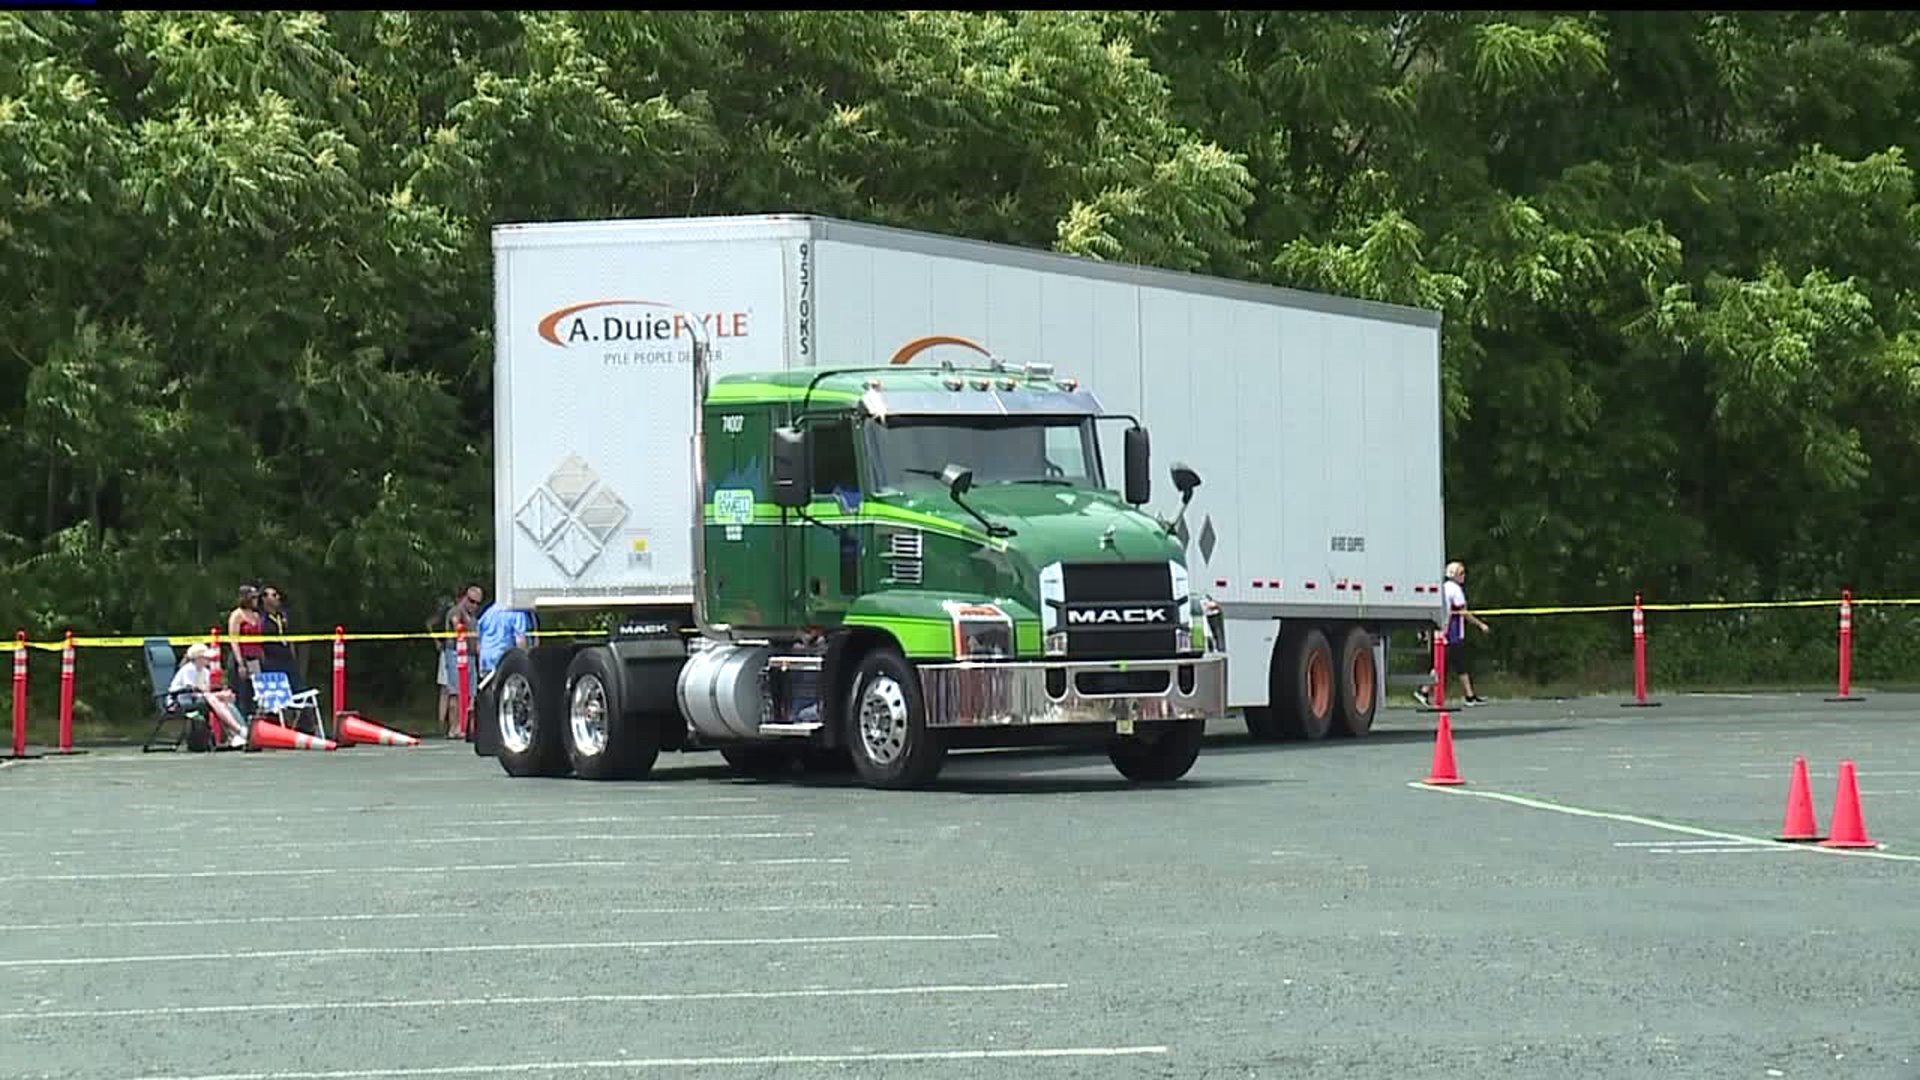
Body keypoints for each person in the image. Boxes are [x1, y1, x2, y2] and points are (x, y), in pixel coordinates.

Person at [1415, 560, 1491, 707]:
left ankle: (1469, 696)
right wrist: (1480, 625)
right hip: (1452, 633)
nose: (1464, 576)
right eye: (1461, 573)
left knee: (1457, 663)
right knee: (1446, 663)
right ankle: (1424, 691)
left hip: (1444, 631)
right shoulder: (1455, 590)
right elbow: (1463, 612)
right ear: (1454, 575)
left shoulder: (1443, 588)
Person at [170, 642, 249, 749]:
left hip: (196, 699)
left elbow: (204, 692)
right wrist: (218, 695)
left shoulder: (205, 672)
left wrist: (222, 696)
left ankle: (237, 734)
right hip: (180, 700)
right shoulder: (189, 669)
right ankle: (238, 730)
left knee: (225, 701)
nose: (209, 660)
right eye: (206, 657)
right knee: (213, 698)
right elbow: (192, 691)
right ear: (198, 658)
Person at [431, 583, 484, 738]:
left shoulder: (475, 617)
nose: (474, 605)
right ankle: (454, 728)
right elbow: (457, 626)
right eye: (472, 601)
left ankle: (467, 728)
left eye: (477, 603)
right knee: (455, 693)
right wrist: (461, 624)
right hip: (456, 654)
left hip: (472, 656)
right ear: (465, 598)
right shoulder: (456, 611)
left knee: (472, 694)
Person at [225, 584, 265, 717]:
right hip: (241, 658)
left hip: (255, 659)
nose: (255, 600)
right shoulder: (237, 615)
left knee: (254, 694)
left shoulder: (256, 616)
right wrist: (240, 663)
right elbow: (234, 640)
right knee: (241, 694)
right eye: (253, 597)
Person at [476, 603, 537, 681]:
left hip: (486, 659)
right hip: (503, 660)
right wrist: (524, 661)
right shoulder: (517, 613)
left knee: (489, 689)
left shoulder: (489, 611)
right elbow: (520, 639)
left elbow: (478, 636)